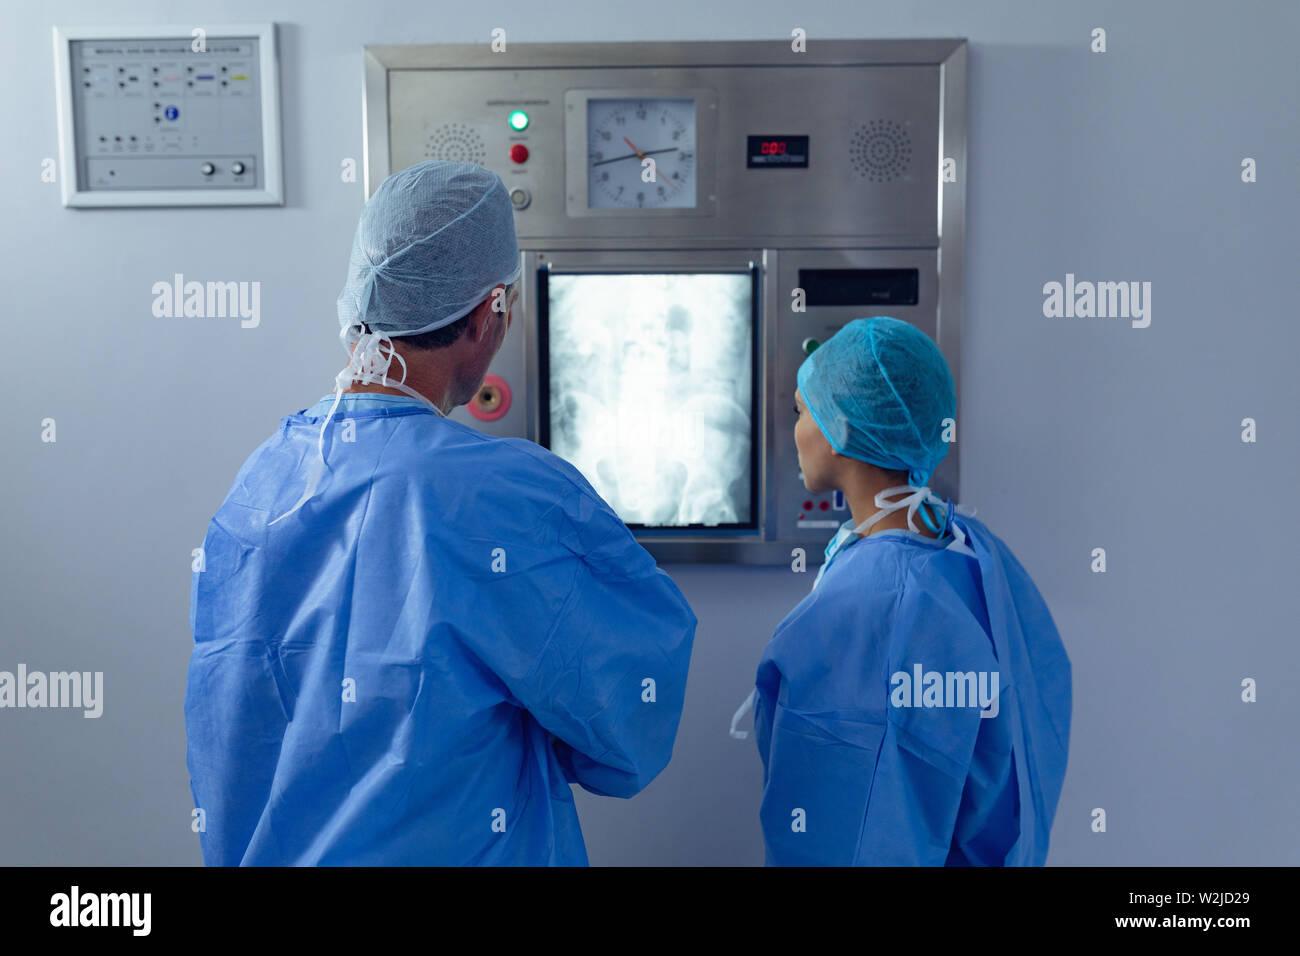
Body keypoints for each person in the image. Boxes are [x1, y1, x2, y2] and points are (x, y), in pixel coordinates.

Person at [185, 160, 696, 866]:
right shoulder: (510, 498)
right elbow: (628, 727)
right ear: (490, 312)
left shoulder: (264, 480)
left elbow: (228, 736)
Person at [734, 317, 1071, 866]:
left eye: (800, 411)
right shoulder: (974, 554)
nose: (794, 431)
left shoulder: (869, 607)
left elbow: (851, 829)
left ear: (839, 427)